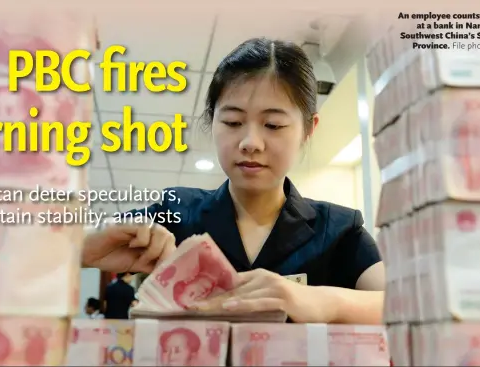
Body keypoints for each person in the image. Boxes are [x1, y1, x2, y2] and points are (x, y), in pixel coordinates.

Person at [79, 37, 385, 325]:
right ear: (213, 122)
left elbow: (403, 303)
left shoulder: (339, 230)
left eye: (273, 125)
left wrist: (321, 300)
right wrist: (86, 249)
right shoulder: (175, 212)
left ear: (308, 129)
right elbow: (44, 258)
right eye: (233, 122)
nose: (250, 142)